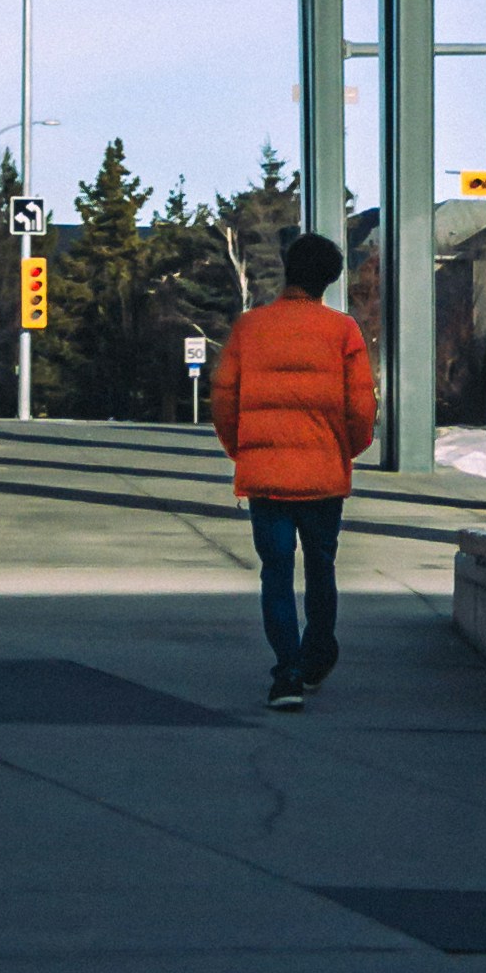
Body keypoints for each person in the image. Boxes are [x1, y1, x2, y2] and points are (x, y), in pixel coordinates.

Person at [208, 230, 375, 711]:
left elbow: (223, 398)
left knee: (276, 572)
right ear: (329, 280)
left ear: (288, 271)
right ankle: (317, 652)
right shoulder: (343, 331)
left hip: (267, 478)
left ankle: (285, 673)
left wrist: (243, 450)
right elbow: (361, 408)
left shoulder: (249, 327)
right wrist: (349, 449)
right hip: (323, 474)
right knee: (321, 568)